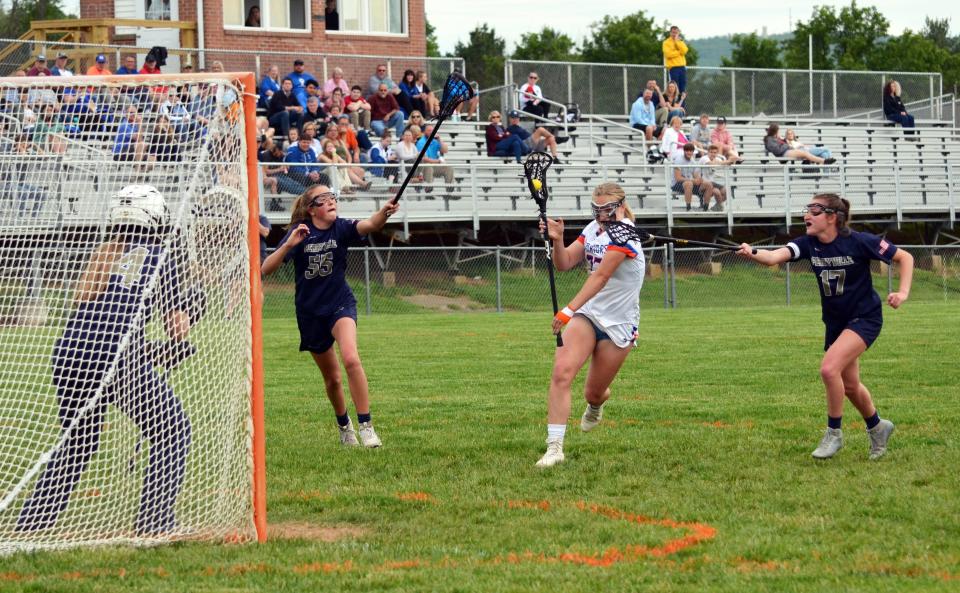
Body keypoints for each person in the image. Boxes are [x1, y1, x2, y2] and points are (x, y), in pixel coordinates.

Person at [16, 185, 193, 535]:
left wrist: (151, 351)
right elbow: (178, 329)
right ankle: (154, 520)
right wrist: (192, 306)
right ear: (155, 216)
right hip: (114, 356)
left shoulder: (104, 254)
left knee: (78, 441)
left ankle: (33, 520)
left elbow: (96, 317)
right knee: (174, 429)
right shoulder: (161, 256)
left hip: (69, 351)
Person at [736, 193, 913, 460]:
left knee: (829, 369)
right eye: (807, 209)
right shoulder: (808, 244)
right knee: (850, 385)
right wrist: (752, 252)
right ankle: (878, 427)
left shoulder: (860, 241)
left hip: (864, 318)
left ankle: (834, 433)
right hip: (836, 322)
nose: (807, 215)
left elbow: (905, 257)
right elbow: (774, 258)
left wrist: (902, 292)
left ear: (832, 217)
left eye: (815, 210)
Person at [261, 186, 399, 446]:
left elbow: (371, 224)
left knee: (351, 358)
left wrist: (384, 212)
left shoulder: (342, 227)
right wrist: (290, 243)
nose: (331, 202)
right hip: (310, 312)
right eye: (323, 199)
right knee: (333, 378)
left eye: (333, 197)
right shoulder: (300, 231)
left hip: (339, 303)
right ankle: (344, 426)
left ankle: (366, 426)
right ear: (311, 208)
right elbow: (265, 269)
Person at [535, 183, 645, 467]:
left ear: (621, 206)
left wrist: (567, 310)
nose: (601, 215)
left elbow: (601, 277)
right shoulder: (592, 230)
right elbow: (565, 263)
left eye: (607, 209)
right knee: (561, 373)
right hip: (588, 313)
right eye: (596, 209)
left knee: (593, 392)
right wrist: (557, 240)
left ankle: (597, 404)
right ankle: (554, 448)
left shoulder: (626, 235)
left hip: (619, 322)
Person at [764, 123, 834, 165]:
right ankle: (824, 161)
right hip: (784, 154)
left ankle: (824, 162)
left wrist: (782, 140)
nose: (779, 132)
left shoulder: (775, 138)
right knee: (805, 153)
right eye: (778, 131)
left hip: (789, 151)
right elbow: (777, 150)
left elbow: (782, 145)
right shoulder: (769, 140)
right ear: (775, 131)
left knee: (810, 153)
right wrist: (787, 145)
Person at [671, 142, 713, 211]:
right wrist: (693, 180)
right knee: (689, 183)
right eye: (687, 150)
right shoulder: (678, 160)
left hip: (689, 182)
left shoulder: (692, 161)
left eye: (691, 151)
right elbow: (678, 178)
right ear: (684, 151)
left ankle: (705, 208)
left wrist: (698, 180)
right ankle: (689, 208)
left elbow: (695, 175)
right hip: (676, 184)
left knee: (708, 184)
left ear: (693, 152)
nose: (689, 152)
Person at [416, 123, 454, 190]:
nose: (431, 132)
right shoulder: (421, 142)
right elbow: (424, 159)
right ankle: (428, 189)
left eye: (432, 130)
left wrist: (439, 139)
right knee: (428, 167)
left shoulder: (435, 141)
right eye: (429, 130)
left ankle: (450, 189)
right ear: (424, 132)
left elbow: (445, 150)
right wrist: (438, 161)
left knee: (449, 168)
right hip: (423, 166)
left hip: (434, 165)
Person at [697, 144, 729, 211]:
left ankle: (717, 206)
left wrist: (733, 159)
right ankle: (717, 207)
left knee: (726, 192)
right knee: (716, 191)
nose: (713, 154)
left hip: (712, 183)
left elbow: (726, 163)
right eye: (711, 152)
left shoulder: (716, 159)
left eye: (715, 152)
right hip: (701, 184)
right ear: (708, 152)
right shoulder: (704, 158)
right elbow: (711, 164)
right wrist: (721, 162)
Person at [662, 25, 689, 94]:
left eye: (676, 32)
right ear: (670, 33)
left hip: (682, 67)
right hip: (673, 68)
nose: (674, 34)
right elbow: (668, 54)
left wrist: (677, 42)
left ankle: (682, 104)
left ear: (678, 33)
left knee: (682, 88)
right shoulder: (666, 42)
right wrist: (679, 52)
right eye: (673, 32)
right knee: (674, 88)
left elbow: (685, 51)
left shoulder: (680, 42)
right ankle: (674, 104)